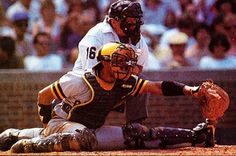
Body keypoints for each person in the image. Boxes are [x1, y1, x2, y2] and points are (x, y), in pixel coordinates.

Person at [2, 42, 215, 153]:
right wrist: (48, 124)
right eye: (119, 61)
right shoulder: (79, 80)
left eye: (127, 62)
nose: (125, 67)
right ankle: (32, 145)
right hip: (63, 123)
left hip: (90, 130)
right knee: (83, 138)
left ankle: (197, 136)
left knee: (136, 135)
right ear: (104, 62)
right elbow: (44, 95)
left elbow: (157, 87)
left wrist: (191, 90)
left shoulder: (125, 82)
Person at [72, 0, 149, 124]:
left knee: (139, 81)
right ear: (114, 22)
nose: (133, 25)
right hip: (86, 88)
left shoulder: (135, 36)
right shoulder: (96, 35)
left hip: (115, 82)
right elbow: (91, 75)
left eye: (135, 20)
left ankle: (136, 127)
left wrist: (124, 72)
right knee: (88, 132)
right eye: (129, 21)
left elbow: (139, 68)